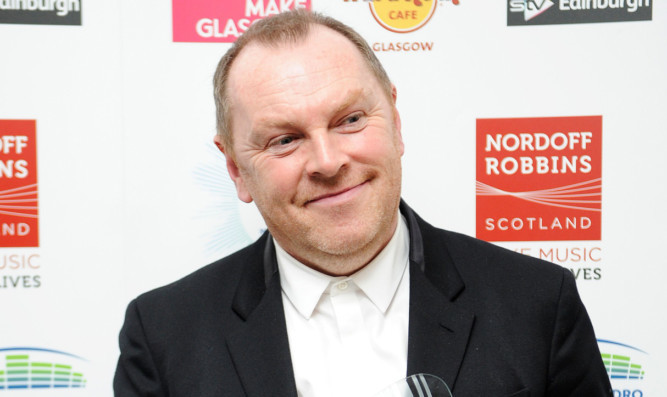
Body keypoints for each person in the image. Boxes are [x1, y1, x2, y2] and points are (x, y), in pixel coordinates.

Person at [114, 10, 612, 397]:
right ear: (236, 170)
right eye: (285, 140)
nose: (328, 162)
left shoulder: (538, 305)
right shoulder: (162, 336)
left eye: (350, 120)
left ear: (395, 122)